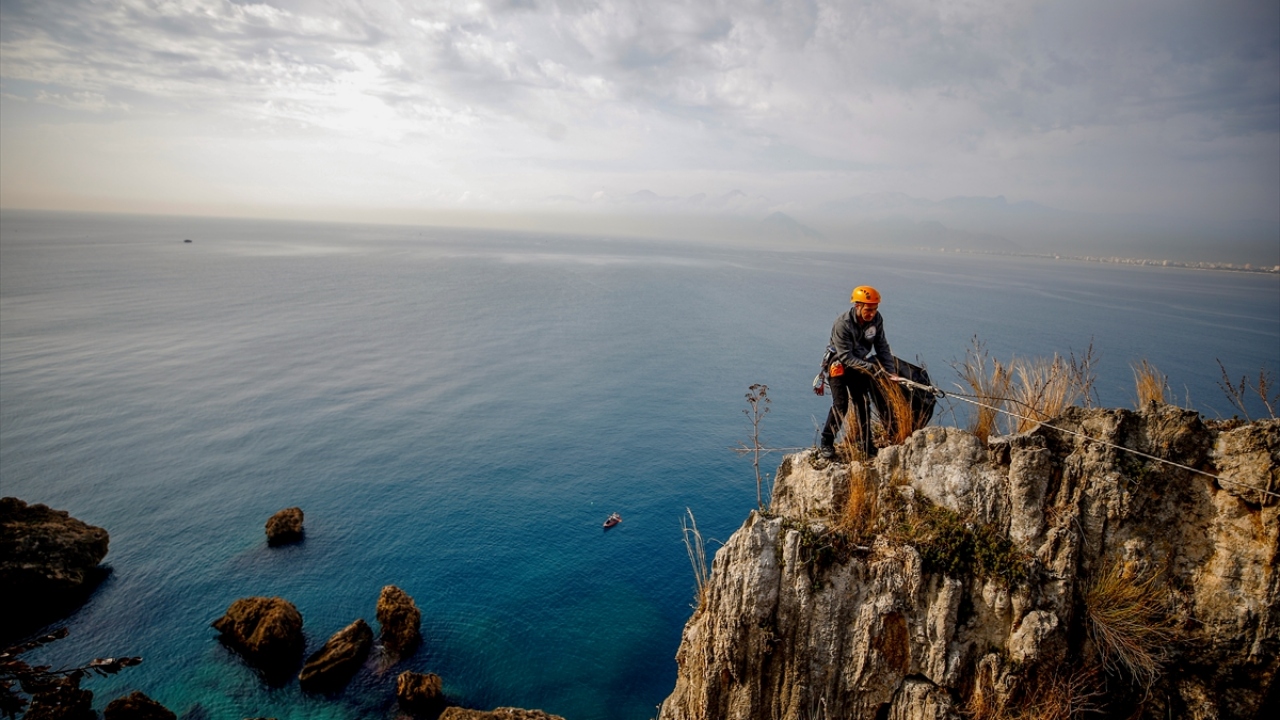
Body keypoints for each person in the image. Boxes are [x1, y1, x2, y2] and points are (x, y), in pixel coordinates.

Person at [818, 286, 898, 459]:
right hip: (839, 364)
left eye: (875, 309)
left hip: (859, 365)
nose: (872, 313)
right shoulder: (843, 324)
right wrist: (873, 369)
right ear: (857, 306)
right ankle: (826, 442)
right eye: (868, 309)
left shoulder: (876, 320)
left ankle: (866, 443)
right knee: (841, 404)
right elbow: (845, 356)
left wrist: (890, 371)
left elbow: (881, 345)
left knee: (862, 402)